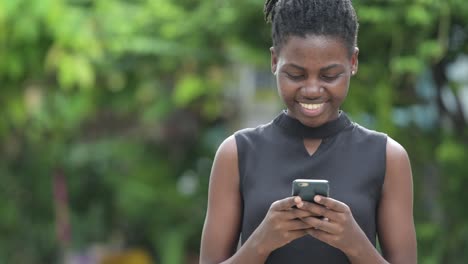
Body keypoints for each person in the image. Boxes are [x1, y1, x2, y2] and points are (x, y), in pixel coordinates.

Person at [199, 0, 417, 263]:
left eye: (329, 76)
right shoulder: (236, 153)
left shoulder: (387, 157)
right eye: (295, 75)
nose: (312, 90)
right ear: (274, 61)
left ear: (353, 62)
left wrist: (356, 244)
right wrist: (261, 242)